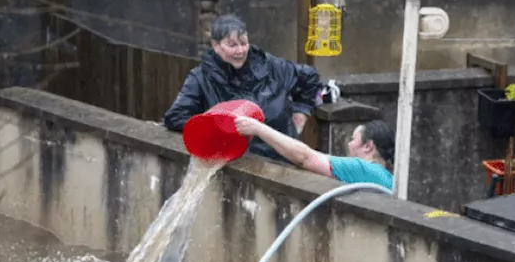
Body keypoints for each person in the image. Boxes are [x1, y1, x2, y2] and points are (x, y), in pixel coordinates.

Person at [163, 15, 323, 163]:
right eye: (232, 45)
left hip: (283, 159)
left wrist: (301, 112)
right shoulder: (200, 78)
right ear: (215, 45)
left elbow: (310, 77)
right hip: (237, 164)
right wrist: (213, 126)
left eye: (243, 43)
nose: (240, 51)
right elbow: (175, 117)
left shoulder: (271, 66)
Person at [234, 116, 395, 190]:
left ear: (368, 146)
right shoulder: (387, 177)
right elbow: (314, 155)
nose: (349, 144)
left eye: (353, 139)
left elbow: (305, 158)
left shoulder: (362, 169)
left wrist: (258, 128)